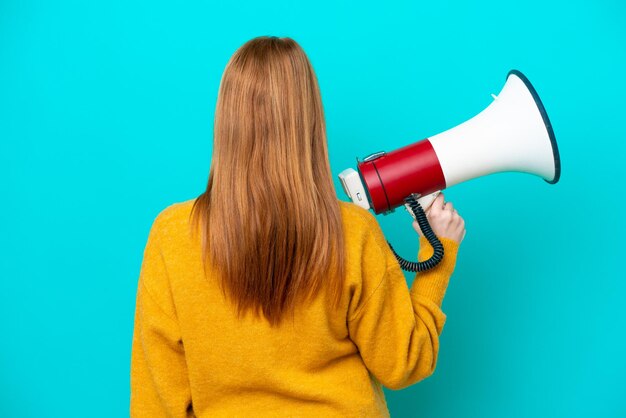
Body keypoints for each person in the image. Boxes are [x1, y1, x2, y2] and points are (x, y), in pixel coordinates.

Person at [130, 36, 465, 417]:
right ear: (309, 120)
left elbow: (156, 402)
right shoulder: (353, 232)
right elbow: (404, 362)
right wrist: (439, 253)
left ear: (226, 119)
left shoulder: (171, 235)